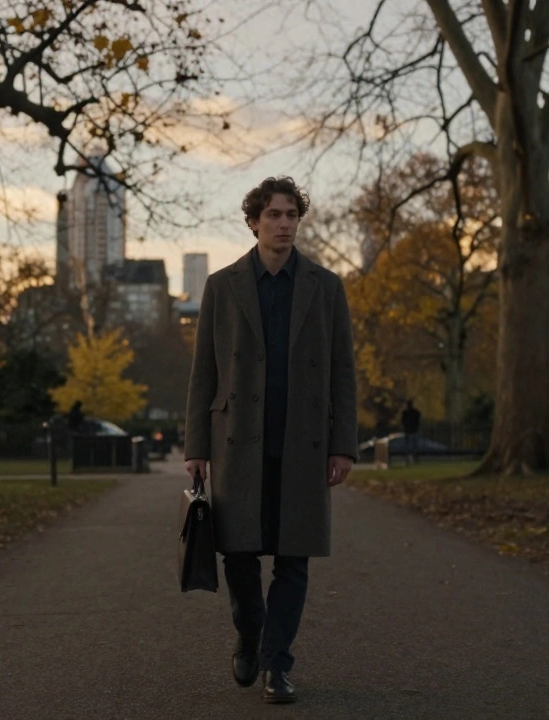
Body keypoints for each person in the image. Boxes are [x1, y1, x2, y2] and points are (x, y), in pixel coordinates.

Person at [184, 176, 357, 705]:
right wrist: (196, 448)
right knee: (238, 553)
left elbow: (343, 371)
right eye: (274, 215)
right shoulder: (222, 284)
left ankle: (277, 665)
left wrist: (342, 443)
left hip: (302, 438)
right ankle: (250, 633)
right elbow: (204, 373)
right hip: (238, 439)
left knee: (293, 557)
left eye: (291, 215)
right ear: (254, 221)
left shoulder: (326, 287)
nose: (284, 224)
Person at [400, 399, 421, 465]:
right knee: (414, 446)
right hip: (413, 430)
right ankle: (415, 459)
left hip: (409, 431)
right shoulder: (415, 413)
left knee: (408, 446)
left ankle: (409, 459)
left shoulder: (405, 413)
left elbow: (403, 421)